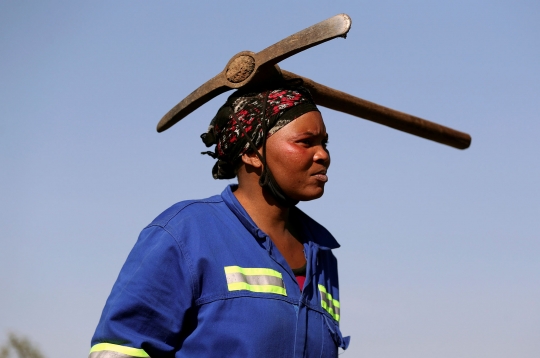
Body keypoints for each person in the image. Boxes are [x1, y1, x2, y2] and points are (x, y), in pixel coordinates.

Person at [88, 81, 349, 358]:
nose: (323, 155)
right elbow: (121, 349)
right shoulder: (186, 233)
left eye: (324, 143)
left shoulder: (321, 254)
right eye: (305, 142)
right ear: (251, 152)